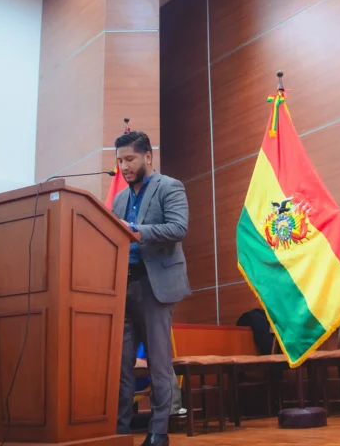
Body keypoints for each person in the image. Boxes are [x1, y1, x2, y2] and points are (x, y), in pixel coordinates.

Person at [112, 130, 191, 446]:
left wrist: (135, 231)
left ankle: (158, 431)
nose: (124, 167)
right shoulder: (119, 198)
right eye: (119, 161)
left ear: (148, 157)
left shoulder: (170, 187)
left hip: (154, 285)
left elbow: (178, 228)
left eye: (129, 159)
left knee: (159, 363)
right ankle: (119, 429)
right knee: (121, 363)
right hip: (122, 288)